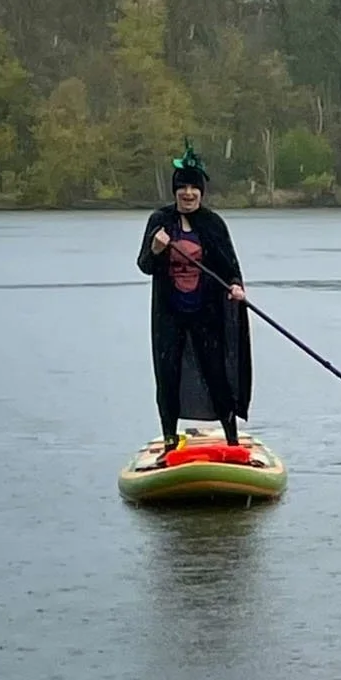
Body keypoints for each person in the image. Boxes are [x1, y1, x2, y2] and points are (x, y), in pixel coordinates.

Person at [136, 141, 253, 458]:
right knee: (168, 375)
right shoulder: (160, 221)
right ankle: (170, 441)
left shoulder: (213, 224)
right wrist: (157, 249)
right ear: (175, 192)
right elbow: (145, 265)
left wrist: (236, 287)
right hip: (170, 315)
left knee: (217, 374)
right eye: (182, 188)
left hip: (206, 313)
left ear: (201, 192)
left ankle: (232, 441)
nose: (188, 194)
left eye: (193, 188)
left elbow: (230, 266)